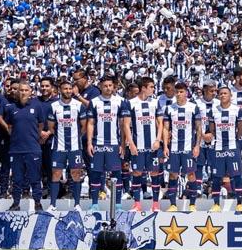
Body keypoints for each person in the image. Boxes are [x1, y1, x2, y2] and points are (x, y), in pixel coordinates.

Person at [0, 80, 50, 212]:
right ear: (17, 92)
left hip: (33, 148)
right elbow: (9, 126)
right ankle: (16, 203)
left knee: (34, 178)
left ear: (31, 92)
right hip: (16, 150)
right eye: (21, 90)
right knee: (17, 179)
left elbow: (41, 125)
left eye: (26, 90)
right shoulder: (11, 108)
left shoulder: (37, 106)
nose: (23, 93)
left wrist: (34, 137)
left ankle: (37, 203)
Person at [84, 75, 129, 214]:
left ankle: (118, 204)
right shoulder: (94, 102)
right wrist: (89, 143)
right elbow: (90, 124)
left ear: (114, 86)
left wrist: (122, 144)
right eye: (105, 86)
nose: (108, 88)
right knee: (95, 173)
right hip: (98, 143)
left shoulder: (121, 101)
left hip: (114, 143)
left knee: (117, 174)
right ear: (101, 87)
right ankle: (95, 203)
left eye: (110, 85)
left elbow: (123, 125)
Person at [162, 82, 206, 212]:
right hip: (174, 148)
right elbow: (165, 128)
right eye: (177, 92)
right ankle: (173, 205)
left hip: (188, 147)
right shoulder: (169, 108)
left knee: (191, 174)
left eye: (181, 92)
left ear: (186, 93)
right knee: (172, 175)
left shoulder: (193, 107)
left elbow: (198, 128)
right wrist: (165, 146)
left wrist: (197, 146)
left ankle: (192, 204)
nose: (178, 94)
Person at [124, 78, 165, 212]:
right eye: (151, 87)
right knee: (137, 172)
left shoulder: (155, 102)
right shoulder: (131, 103)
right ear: (143, 88)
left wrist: (158, 140)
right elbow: (126, 125)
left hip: (152, 146)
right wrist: (131, 144)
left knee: (154, 173)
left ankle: (155, 204)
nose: (153, 89)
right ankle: (137, 204)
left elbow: (160, 124)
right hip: (138, 145)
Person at [47, 79, 87, 210]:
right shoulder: (53, 106)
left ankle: (77, 204)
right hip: (59, 146)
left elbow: (84, 126)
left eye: (70, 89)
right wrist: (60, 137)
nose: (68, 91)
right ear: (60, 90)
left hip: (75, 147)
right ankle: (53, 204)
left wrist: (76, 137)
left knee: (76, 173)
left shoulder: (78, 105)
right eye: (65, 89)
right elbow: (51, 127)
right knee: (56, 174)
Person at [208, 86, 242, 212]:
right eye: (221, 93)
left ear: (230, 96)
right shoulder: (213, 111)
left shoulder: (237, 110)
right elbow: (211, 129)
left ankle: (239, 203)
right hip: (218, 147)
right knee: (216, 177)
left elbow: (241, 129)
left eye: (225, 93)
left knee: (237, 176)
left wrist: (235, 140)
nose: (223, 95)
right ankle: (216, 204)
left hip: (232, 147)